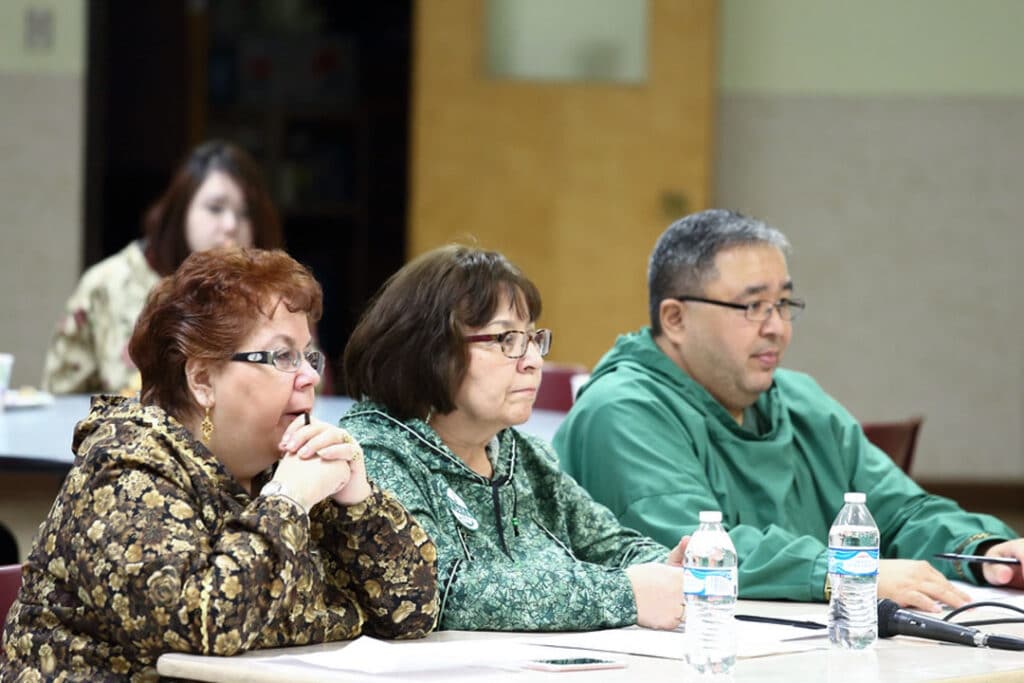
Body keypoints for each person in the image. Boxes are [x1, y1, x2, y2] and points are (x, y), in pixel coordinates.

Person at [554, 209, 1024, 613]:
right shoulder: (621, 410)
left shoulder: (799, 399)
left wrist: (983, 551)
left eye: (783, 304)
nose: (777, 328)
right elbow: (694, 551)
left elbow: (900, 512)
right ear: (676, 319)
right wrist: (845, 572)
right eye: (753, 306)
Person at [2, 248, 438, 680]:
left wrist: (356, 500)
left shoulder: (284, 463)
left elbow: (411, 612)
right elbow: (205, 622)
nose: (310, 376)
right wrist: (287, 500)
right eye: (282, 357)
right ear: (203, 380)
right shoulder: (123, 464)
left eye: (308, 356)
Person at [339, 245, 688, 633]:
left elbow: (611, 545)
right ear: (429, 348)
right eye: (506, 339)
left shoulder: (520, 454)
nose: (533, 360)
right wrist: (625, 594)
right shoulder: (374, 453)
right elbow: (440, 590)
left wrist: (673, 568)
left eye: (532, 338)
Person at [41, 139, 284, 395]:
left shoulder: (274, 291)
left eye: (245, 213)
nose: (231, 225)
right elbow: (64, 396)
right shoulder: (109, 284)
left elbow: (310, 378)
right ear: (182, 211)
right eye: (215, 208)